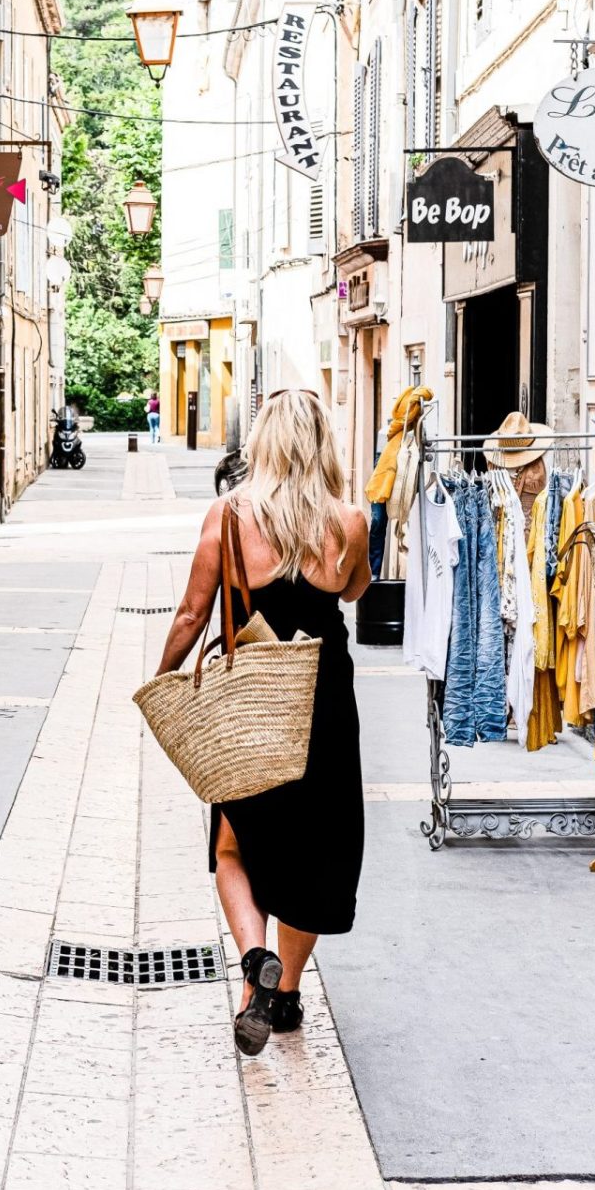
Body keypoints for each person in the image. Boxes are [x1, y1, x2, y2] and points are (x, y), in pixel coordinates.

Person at [155, 389, 370, 1055]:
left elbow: (193, 613)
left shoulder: (229, 515)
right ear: (322, 445)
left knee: (233, 844)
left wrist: (164, 682)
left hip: (253, 701)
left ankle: (255, 964)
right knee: (317, 847)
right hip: (325, 700)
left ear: (265, 444)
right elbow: (356, 589)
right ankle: (287, 993)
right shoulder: (351, 520)